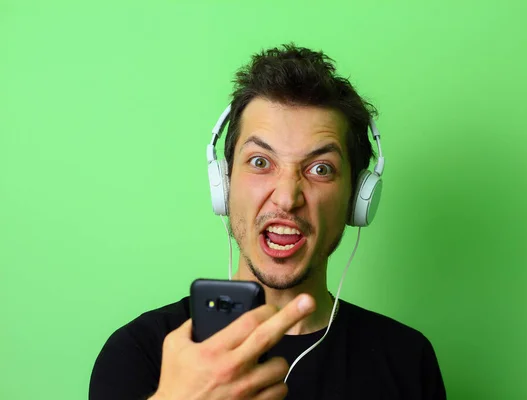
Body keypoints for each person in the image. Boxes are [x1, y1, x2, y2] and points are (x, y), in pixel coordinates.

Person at [89, 43, 446, 400]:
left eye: (320, 169)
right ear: (225, 184)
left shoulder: (407, 360)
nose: (287, 198)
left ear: (356, 198)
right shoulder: (142, 352)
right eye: (260, 162)